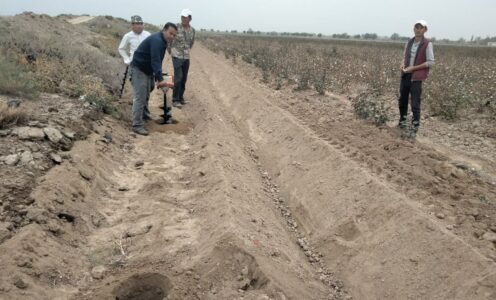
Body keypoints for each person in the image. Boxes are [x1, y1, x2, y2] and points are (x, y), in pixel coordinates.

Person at [130, 22, 178, 136]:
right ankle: (137, 125)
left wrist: (158, 76)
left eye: (174, 35)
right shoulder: (157, 41)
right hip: (139, 69)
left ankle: (145, 115)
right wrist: (161, 80)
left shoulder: (164, 41)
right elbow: (155, 61)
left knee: (148, 90)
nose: (172, 36)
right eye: (171, 33)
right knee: (140, 96)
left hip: (148, 70)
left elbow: (158, 61)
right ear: (164, 30)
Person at [398, 20, 435, 139]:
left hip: (417, 77)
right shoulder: (409, 42)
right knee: (402, 101)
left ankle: (414, 130)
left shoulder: (427, 43)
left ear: (425, 30)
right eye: (416, 27)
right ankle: (402, 123)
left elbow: (430, 62)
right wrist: (402, 65)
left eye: (421, 28)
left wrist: (414, 68)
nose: (418, 30)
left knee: (415, 104)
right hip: (406, 75)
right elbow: (404, 56)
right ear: (413, 29)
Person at [118, 15, 152, 119]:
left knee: (148, 91)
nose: (139, 26)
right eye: (136, 24)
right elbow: (121, 48)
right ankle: (138, 118)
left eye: (141, 24)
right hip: (135, 66)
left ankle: (145, 113)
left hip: (147, 65)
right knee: (140, 93)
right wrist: (126, 59)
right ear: (132, 25)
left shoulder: (148, 35)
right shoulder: (128, 36)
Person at [169, 9, 195, 108]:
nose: (183, 19)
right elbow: (169, 39)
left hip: (186, 57)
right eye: (182, 17)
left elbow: (191, 42)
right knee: (178, 77)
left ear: (190, 18)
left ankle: (180, 97)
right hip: (177, 56)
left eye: (185, 17)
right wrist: (170, 50)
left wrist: (187, 51)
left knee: (184, 78)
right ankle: (175, 99)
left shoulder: (192, 30)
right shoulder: (175, 27)